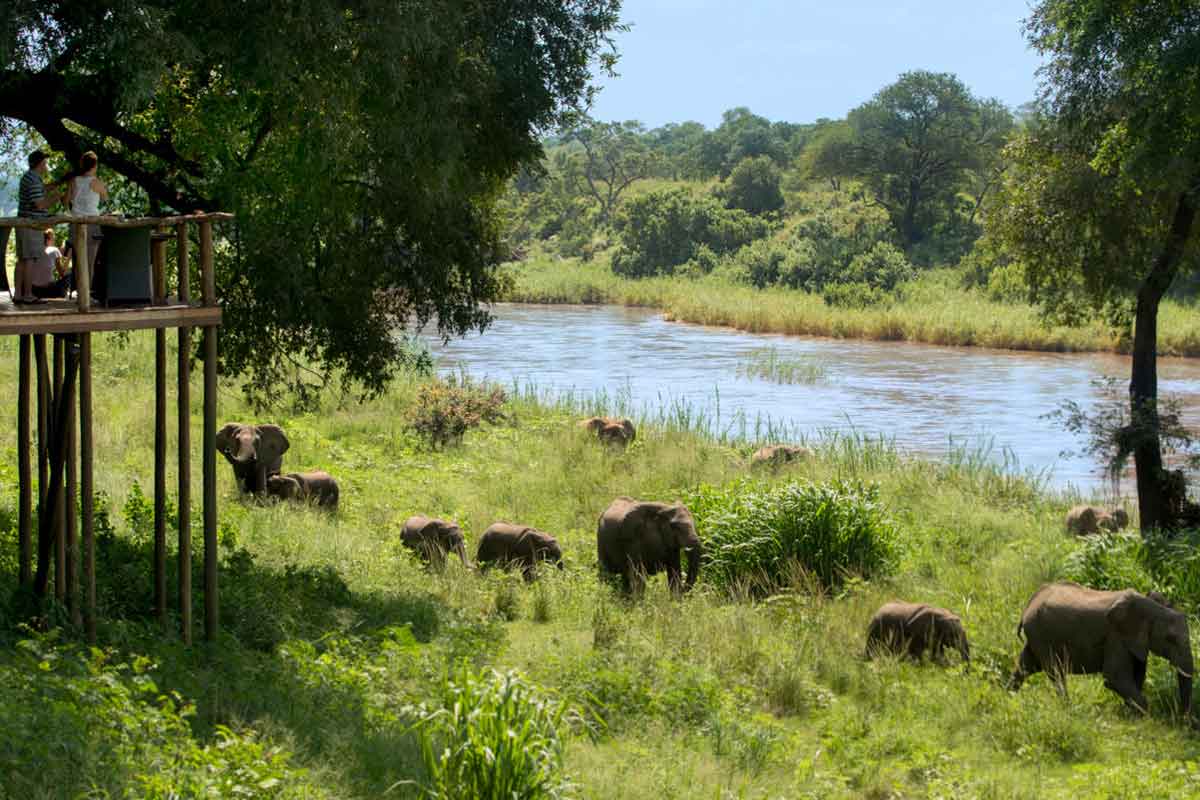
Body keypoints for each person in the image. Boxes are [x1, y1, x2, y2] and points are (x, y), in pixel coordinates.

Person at [14, 150, 64, 304]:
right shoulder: (34, 180)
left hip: (23, 222)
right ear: (40, 163)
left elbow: (41, 190)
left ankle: (18, 294)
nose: (47, 166)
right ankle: (28, 295)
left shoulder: (30, 177)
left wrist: (57, 183)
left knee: (22, 259)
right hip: (31, 224)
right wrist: (56, 198)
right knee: (29, 259)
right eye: (45, 163)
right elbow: (40, 204)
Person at [65, 150, 108, 269]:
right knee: (90, 262)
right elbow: (105, 199)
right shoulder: (97, 182)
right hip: (92, 223)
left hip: (75, 223)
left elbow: (66, 201)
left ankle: (79, 287)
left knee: (78, 262)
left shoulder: (73, 181)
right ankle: (87, 287)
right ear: (95, 165)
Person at [31, 228, 72, 299]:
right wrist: (68, 257)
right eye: (53, 239)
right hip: (48, 290)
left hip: (34, 290)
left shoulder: (34, 250)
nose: (54, 241)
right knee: (69, 276)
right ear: (48, 240)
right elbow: (62, 273)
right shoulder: (54, 250)